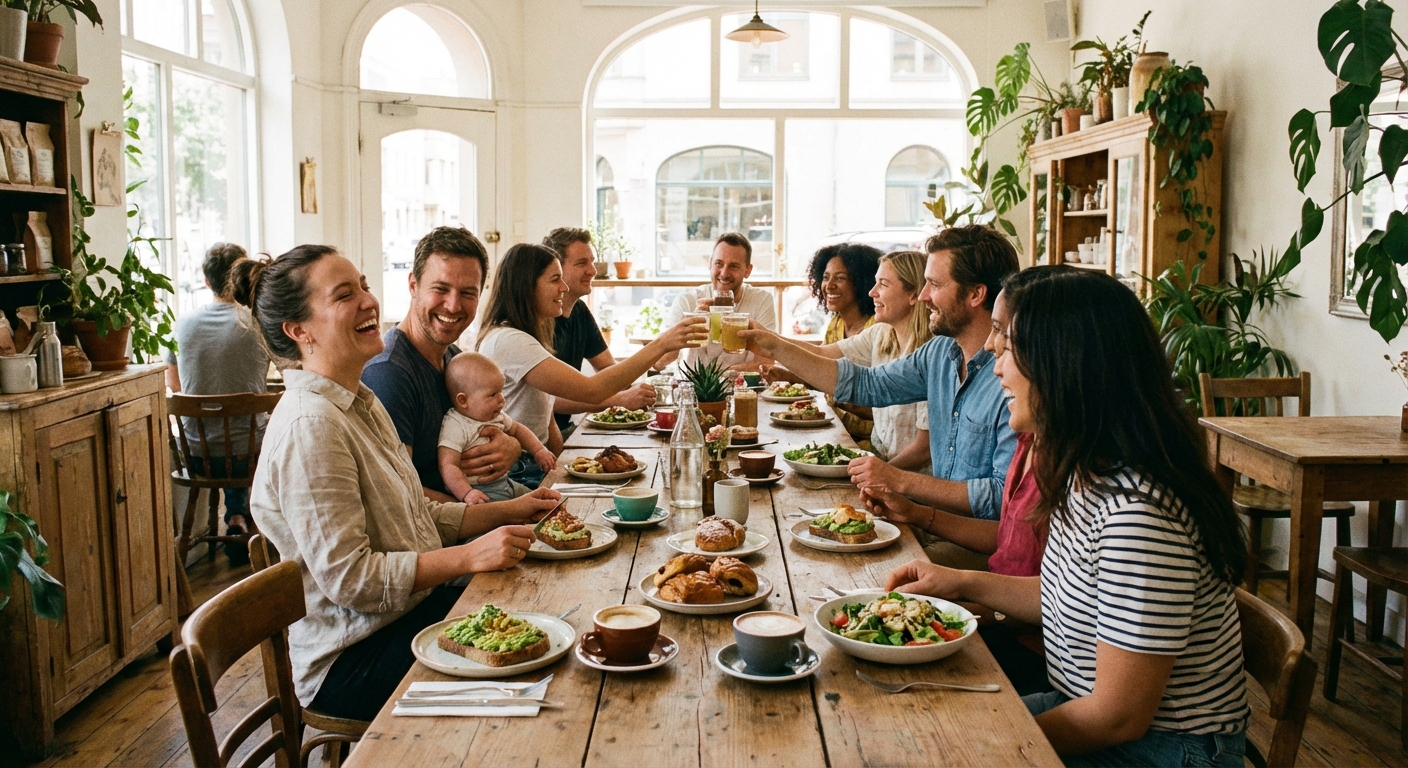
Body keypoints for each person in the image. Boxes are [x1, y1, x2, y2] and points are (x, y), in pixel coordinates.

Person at [885, 266, 1249, 766]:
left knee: (933, 746)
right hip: (1087, 709)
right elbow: (1066, 598)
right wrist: (956, 581)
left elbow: (1119, 715)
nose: (995, 365)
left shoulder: (1138, 512)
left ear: (1066, 365)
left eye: (1009, 348)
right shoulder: (1088, 470)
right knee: (909, 731)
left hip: (1161, 749)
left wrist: (990, 748)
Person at [246, 245, 562, 721]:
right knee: (536, 677)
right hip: (353, 659)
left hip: (406, 616)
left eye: (365, 286)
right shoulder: (311, 426)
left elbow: (416, 510)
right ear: (299, 330)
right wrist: (471, 553)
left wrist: (508, 511)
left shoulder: (359, 399)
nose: (368, 302)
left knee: (543, 606)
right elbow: (352, 579)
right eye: (344, 295)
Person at [739, 225, 1019, 537]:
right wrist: (775, 346)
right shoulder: (941, 352)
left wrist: (899, 480)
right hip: (927, 522)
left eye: (934, 285)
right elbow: (868, 385)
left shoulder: (1013, 381)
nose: (923, 296)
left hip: (977, 544)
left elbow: (1001, 497)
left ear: (975, 294)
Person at [861, 270, 1053, 696]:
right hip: (1025, 638)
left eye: (1005, 339)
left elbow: (1116, 717)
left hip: (1054, 673)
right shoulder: (1036, 441)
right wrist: (919, 515)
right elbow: (1017, 544)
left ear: (1061, 356)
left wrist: (972, 602)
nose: (990, 352)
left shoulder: (1125, 499)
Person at [477, 243, 706, 488]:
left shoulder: (523, 337)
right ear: (525, 287)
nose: (563, 288)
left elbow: (546, 414)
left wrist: (561, 467)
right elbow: (592, 389)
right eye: (555, 279)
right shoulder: (509, 340)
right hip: (518, 473)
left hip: (537, 464)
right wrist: (660, 344)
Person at [361, 227, 523, 503]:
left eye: (468, 293)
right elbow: (396, 490)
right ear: (413, 285)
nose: (453, 305)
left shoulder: (455, 358)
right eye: (441, 289)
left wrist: (513, 448)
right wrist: (491, 514)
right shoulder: (389, 374)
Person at [764, 250, 932, 471]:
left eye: (883, 284)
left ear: (913, 295)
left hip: (913, 482)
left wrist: (879, 475)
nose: (872, 292)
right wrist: (767, 340)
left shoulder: (932, 353)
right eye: (874, 284)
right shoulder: (880, 333)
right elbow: (823, 354)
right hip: (881, 463)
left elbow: (924, 449)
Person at [165, 242, 269, 566]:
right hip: (249, 455)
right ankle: (248, 522)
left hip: (197, 456)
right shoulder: (256, 322)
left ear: (206, 281)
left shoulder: (181, 325)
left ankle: (236, 517)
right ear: (245, 276)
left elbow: (175, 385)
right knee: (254, 435)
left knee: (227, 436)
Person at [541, 227, 654, 438]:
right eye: (582, 263)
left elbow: (608, 369)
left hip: (564, 431)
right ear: (556, 269)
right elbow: (548, 400)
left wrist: (643, 390)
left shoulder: (579, 310)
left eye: (592, 262)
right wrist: (620, 399)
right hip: (540, 441)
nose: (592, 270)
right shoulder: (538, 319)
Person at [772, 243, 880, 447]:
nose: (829, 286)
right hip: (836, 429)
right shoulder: (836, 323)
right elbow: (821, 365)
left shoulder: (878, 328)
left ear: (862, 282)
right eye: (825, 277)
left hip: (869, 441)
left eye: (840, 278)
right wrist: (790, 376)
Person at [438, 352, 553, 504]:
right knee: (532, 512)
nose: (501, 399)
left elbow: (518, 429)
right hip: (482, 492)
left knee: (547, 501)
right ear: (463, 400)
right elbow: (447, 465)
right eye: (493, 394)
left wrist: (539, 450)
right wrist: (467, 493)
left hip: (506, 483)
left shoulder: (496, 416)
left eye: (501, 391)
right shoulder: (456, 425)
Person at [659, 232, 777, 369]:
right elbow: (659, 362)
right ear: (710, 264)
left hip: (743, 388)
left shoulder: (761, 300)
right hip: (694, 387)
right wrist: (689, 327)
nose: (724, 273)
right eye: (719, 263)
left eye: (734, 266)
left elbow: (767, 362)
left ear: (748, 271)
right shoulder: (687, 301)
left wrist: (720, 378)